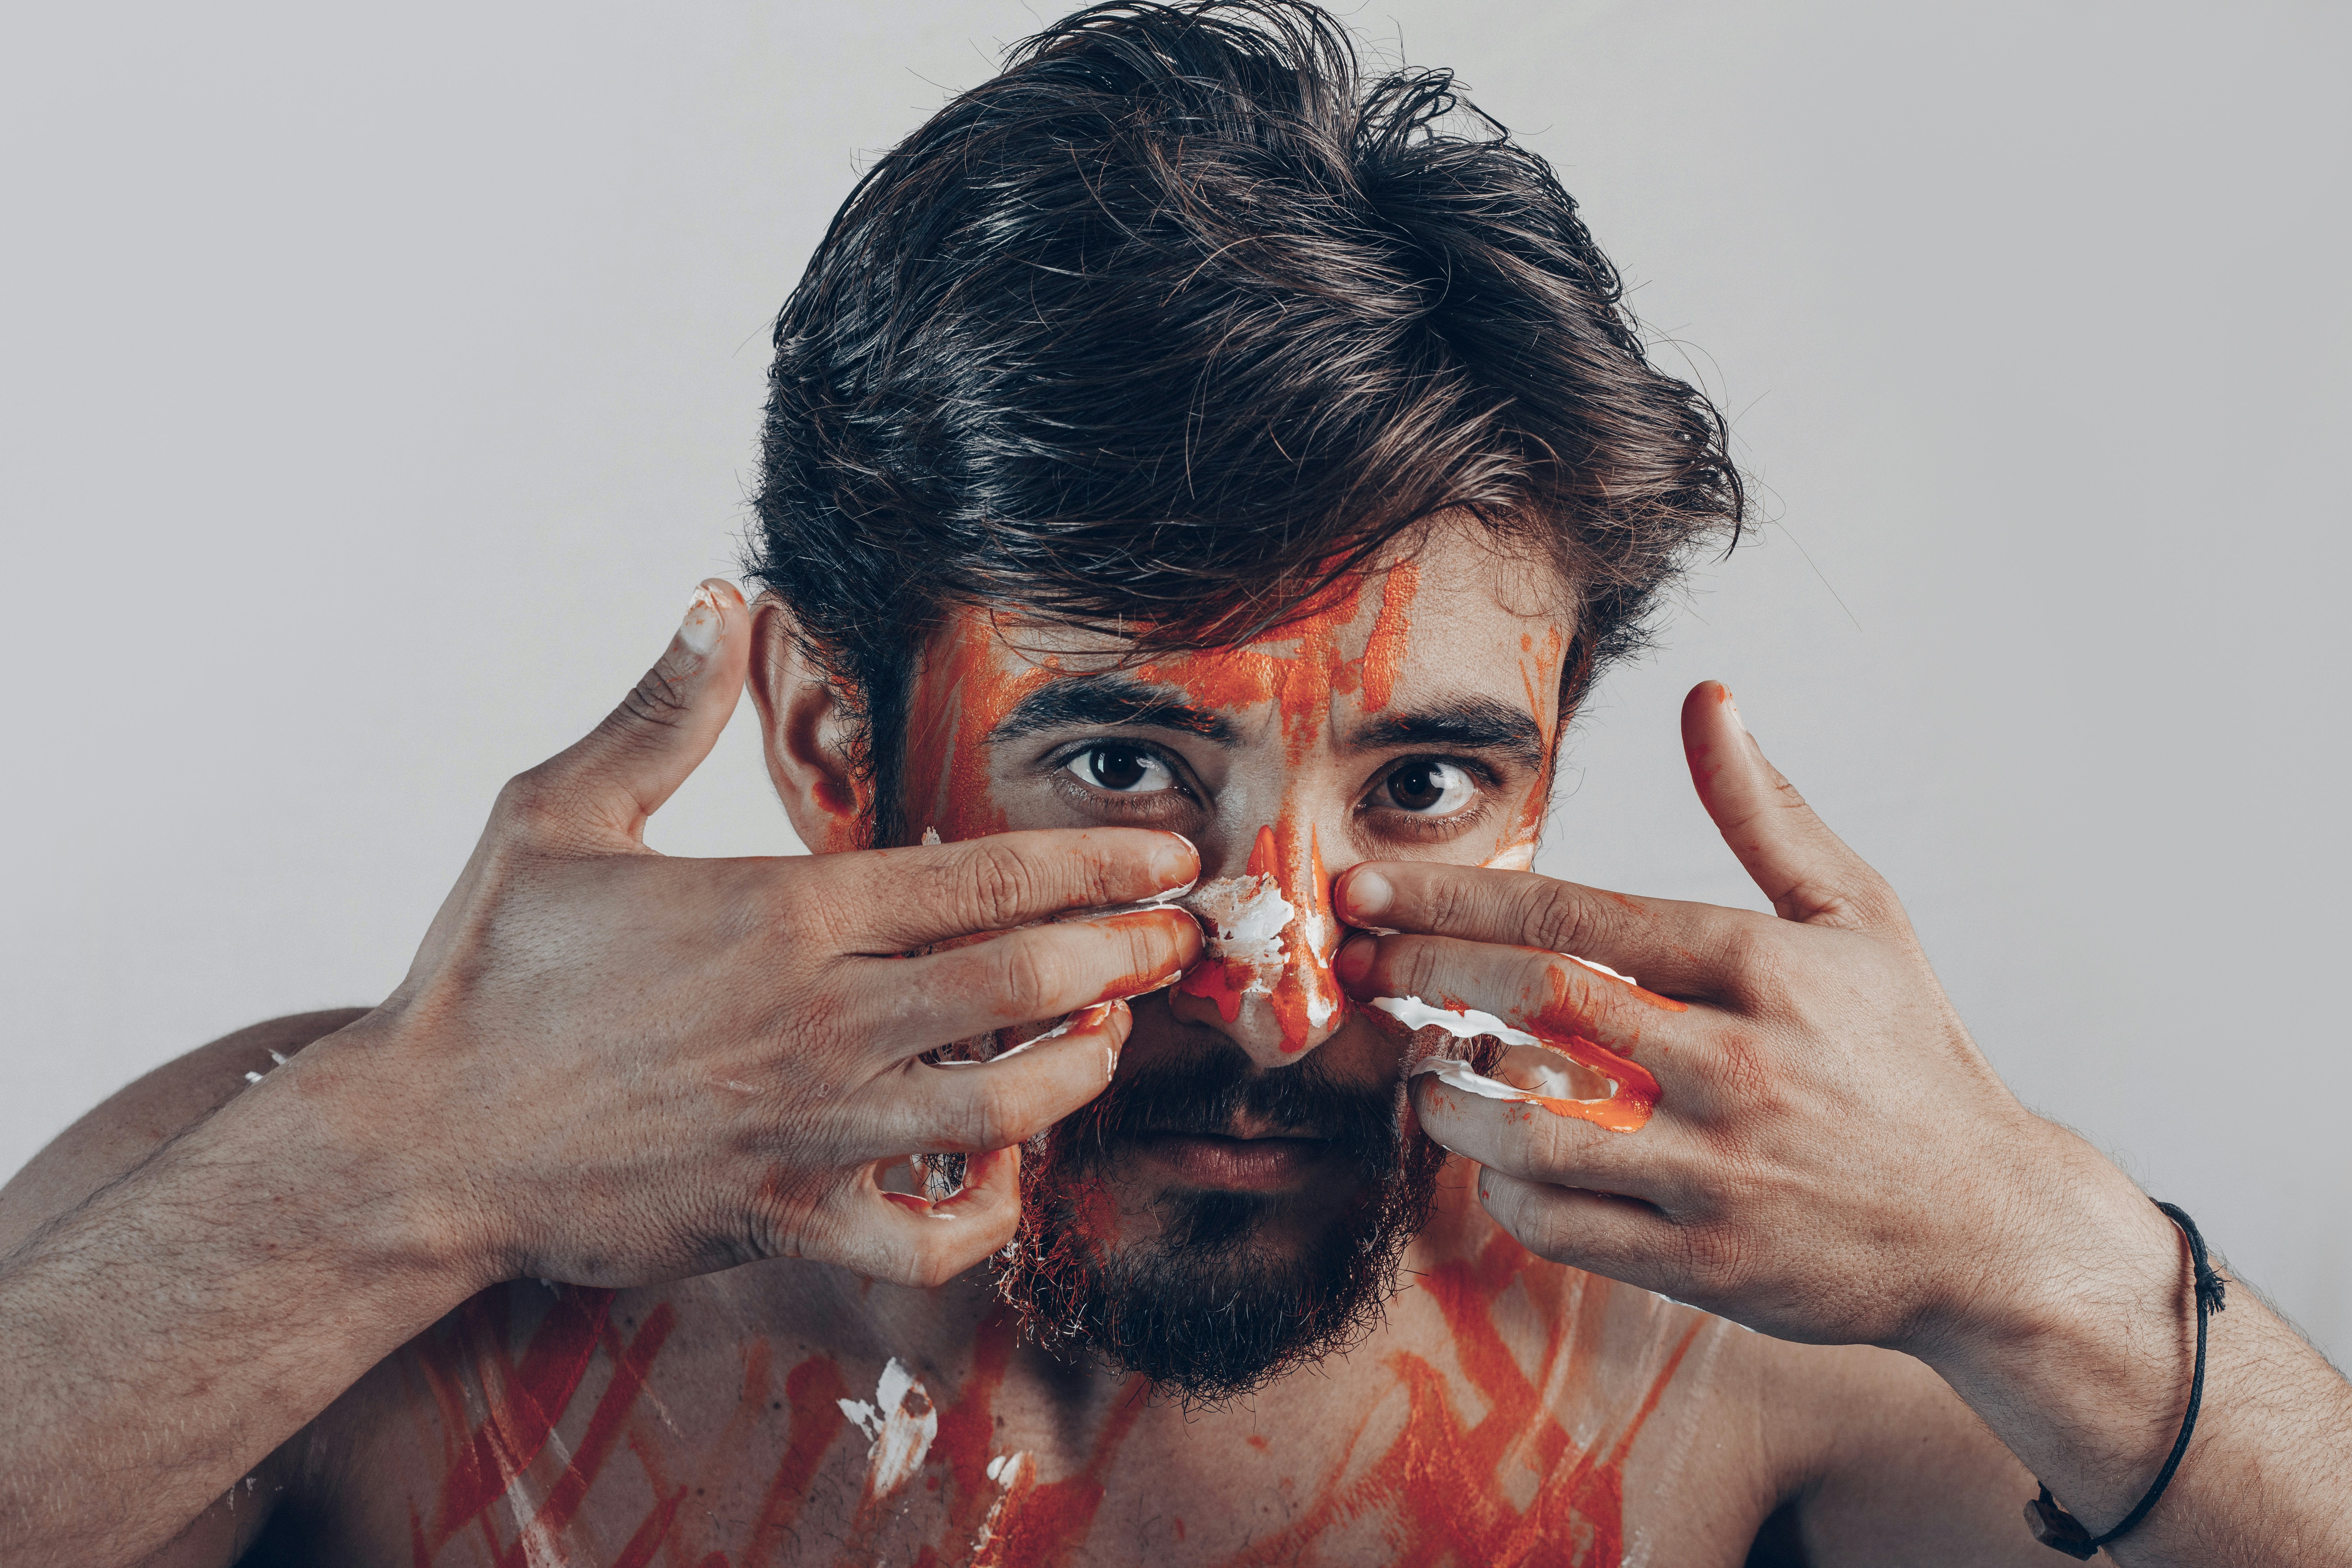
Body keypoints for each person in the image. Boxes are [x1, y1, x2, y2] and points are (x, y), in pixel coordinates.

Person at [3, 4, 2345, 1564]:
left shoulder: (1719, 1307)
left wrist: (2038, 1263)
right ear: (836, 745)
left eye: (1425, 783)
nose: (1281, 976)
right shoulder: (355, 1225)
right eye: (1127, 758)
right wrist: (401, 1170)